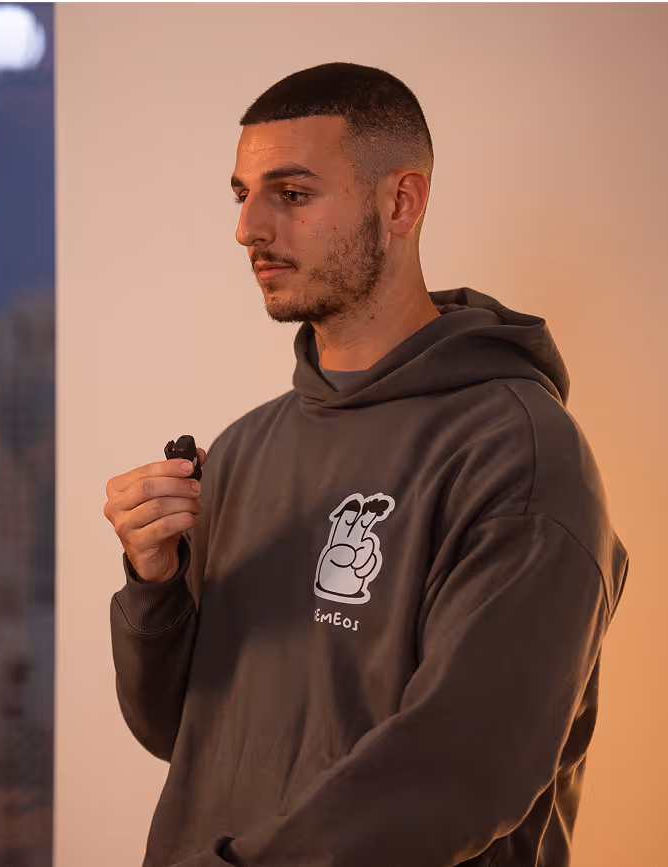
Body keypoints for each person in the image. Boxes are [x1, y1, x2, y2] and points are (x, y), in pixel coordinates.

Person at [103, 62, 628, 867]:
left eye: (292, 193)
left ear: (400, 203)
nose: (248, 228)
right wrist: (152, 583)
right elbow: (177, 730)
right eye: (241, 194)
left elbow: (459, 775)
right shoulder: (244, 448)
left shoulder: (519, 457)